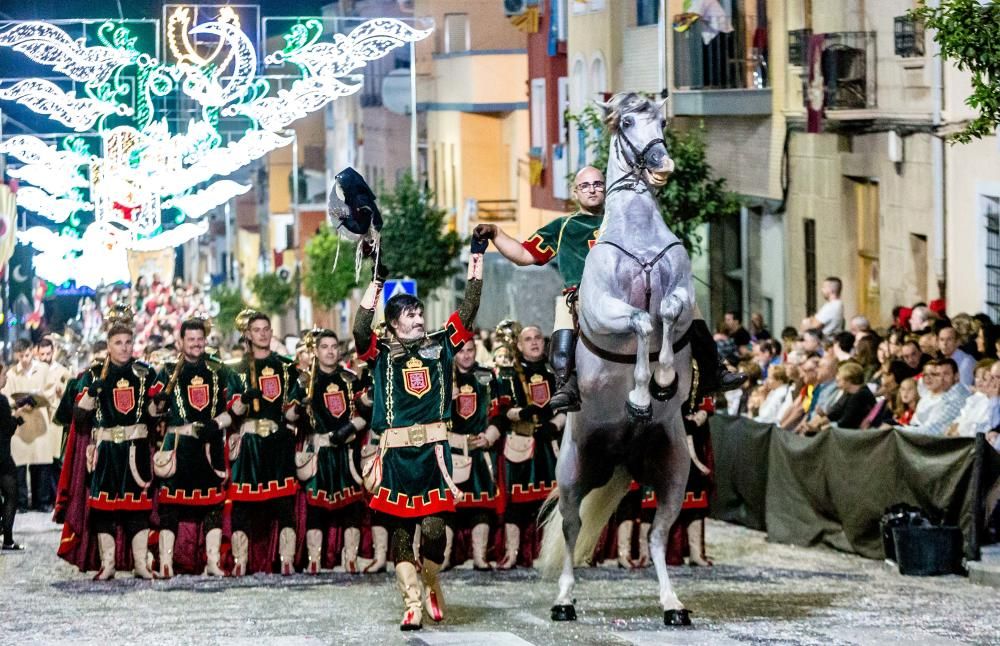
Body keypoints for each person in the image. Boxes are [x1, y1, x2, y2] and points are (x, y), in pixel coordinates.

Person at [474, 166, 744, 413]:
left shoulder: (628, 220)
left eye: (598, 184)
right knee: (563, 308)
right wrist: (497, 233)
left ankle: (713, 371)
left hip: (637, 290)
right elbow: (523, 254)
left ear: (606, 187)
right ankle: (566, 384)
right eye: (585, 186)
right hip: (584, 297)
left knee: (687, 303)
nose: (592, 189)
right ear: (575, 193)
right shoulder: (565, 226)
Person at [353, 243, 484, 631]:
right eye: (410, 313)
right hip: (394, 456)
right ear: (394, 323)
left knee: (432, 530)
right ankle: (411, 604)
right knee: (399, 535)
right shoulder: (380, 352)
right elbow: (361, 328)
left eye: (420, 311)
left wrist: (477, 257)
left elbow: (469, 309)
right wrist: (377, 282)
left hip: (433, 454)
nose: (419, 317)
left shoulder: (442, 343)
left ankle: (430, 579)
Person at [72, 306, 157, 579]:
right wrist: (90, 395)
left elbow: (156, 415)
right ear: (108, 345)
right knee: (103, 507)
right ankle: (107, 564)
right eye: (118, 343)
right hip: (107, 449)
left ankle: (140, 564)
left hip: (136, 449)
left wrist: (160, 405)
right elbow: (77, 415)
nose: (123, 347)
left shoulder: (145, 373)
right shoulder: (95, 374)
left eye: (128, 342)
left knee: (138, 508)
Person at [149, 318, 236, 577]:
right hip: (177, 445)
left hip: (207, 447)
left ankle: (212, 562)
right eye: (191, 339)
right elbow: (153, 412)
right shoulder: (165, 371)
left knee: (213, 505)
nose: (197, 344)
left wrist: (216, 423)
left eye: (200, 339)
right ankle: (166, 563)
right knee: (170, 506)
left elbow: (234, 410)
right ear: (181, 342)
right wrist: (158, 403)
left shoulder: (219, 370)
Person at [227, 309, 304, 576]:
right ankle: (240, 561)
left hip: (277, 442)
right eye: (257, 330)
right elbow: (233, 412)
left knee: (284, 504)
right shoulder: (236, 368)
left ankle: (286, 559)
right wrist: (244, 400)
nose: (263, 334)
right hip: (250, 445)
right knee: (243, 505)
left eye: (266, 329)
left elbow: (290, 412)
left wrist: (301, 406)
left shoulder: (285, 366)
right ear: (247, 334)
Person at [297, 328, 369, 575]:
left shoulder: (350, 379)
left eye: (333, 346)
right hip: (319, 453)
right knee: (316, 508)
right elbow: (291, 416)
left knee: (352, 507)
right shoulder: (306, 381)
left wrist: (350, 427)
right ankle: (314, 560)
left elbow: (365, 414)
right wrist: (299, 413)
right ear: (316, 351)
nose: (330, 351)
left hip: (345, 452)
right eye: (324, 347)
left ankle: (350, 558)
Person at [496, 324, 565, 570]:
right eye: (528, 339)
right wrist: (521, 413)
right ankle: (513, 553)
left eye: (538, 337)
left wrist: (556, 425)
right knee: (516, 504)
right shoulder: (508, 374)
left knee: (549, 503)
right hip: (521, 445)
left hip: (549, 445)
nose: (534, 342)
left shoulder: (557, 372)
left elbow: (567, 408)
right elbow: (503, 410)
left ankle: (547, 553)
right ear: (519, 344)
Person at [445, 339, 502, 570]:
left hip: (479, 450)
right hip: (451, 451)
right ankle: (445, 557)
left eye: (470, 350)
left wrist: (490, 435)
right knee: (448, 507)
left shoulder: (487, 376)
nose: (466, 356)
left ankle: (480, 557)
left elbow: (499, 412)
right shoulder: (443, 377)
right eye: (461, 351)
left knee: (482, 505)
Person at [2, 339, 55, 513]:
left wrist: (39, 399)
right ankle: (22, 502)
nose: (24, 359)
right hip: (22, 422)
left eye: (26, 355)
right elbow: (7, 396)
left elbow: (50, 390)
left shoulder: (44, 370)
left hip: (40, 421)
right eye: (21, 356)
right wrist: (17, 404)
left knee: (41, 464)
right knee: (20, 465)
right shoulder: (11, 374)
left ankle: (42, 501)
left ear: (32, 351)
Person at [0, 363, 34, 551]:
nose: (5, 377)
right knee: (11, 495)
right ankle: (8, 540)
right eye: (3, 374)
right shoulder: (1, 400)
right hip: (2, 457)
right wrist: (19, 416)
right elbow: (7, 428)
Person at [906, 359, 970, 436]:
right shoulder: (948, 395)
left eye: (946, 374)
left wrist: (898, 429)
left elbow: (934, 430)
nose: (942, 379)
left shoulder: (957, 397)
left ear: (956, 376)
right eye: (938, 375)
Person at [826, 362, 877, 429]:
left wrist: (826, 426)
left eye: (840, 376)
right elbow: (835, 412)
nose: (837, 379)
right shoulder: (848, 393)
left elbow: (846, 423)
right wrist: (822, 420)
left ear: (849, 380)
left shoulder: (861, 395)